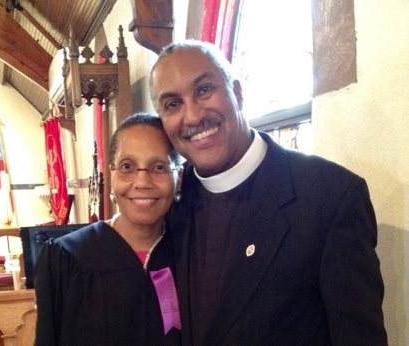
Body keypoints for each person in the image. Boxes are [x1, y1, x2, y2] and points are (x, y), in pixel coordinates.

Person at [150, 40, 387, 345]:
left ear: (237, 92)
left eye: (204, 90)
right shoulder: (170, 203)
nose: (193, 116)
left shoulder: (329, 196)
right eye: (172, 104)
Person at [34, 113, 183, 345]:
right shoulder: (68, 258)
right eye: (127, 166)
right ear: (111, 175)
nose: (142, 182)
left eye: (159, 167)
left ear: (179, 178)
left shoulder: (191, 256)